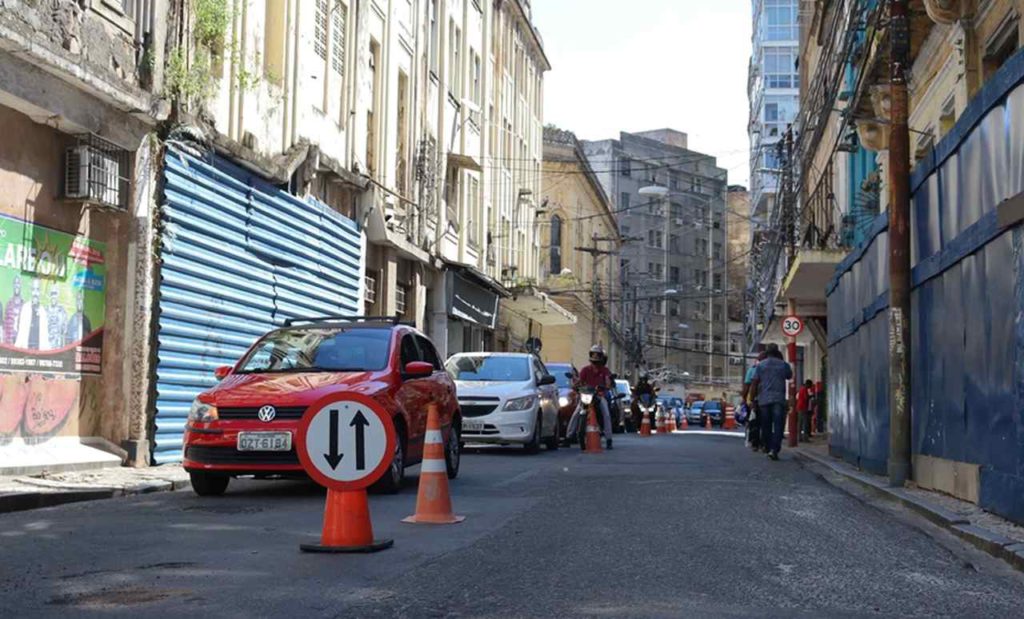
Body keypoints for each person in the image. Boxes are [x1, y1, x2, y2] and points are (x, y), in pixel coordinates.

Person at [750, 343, 793, 461]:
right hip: (779, 399)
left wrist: (752, 399)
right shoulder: (784, 365)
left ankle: (768, 447)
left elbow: (754, 383)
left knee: (766, 425)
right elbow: (790, 377)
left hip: (764, 400)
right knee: (779, 425)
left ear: (767, 352)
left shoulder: (760, 365)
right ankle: (775, 449)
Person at [571, 345, 614, 450]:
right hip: (586, 395)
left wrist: (606, 386)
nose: (594, 357)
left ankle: (609, 439)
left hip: (599, 395)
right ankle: (569, 435)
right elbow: (579, 381)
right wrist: (575, 384)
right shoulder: (585, 370)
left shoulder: (605, 370)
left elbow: (608, 381)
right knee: (576, 413)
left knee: (606, 414)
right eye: (593, 354)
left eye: (597, 355)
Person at [741, 351, 766, 450]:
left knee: (754, 421)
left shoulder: (752, 370)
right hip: (764, 399)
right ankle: (763, 443)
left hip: (755, 399)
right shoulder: (767, 370)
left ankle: (755, 443)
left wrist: (745, 399)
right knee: (765, 422)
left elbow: (747, 386)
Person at [3, 276, 23, 345]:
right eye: (15, 283)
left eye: (18, 283)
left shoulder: (24, 306)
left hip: (20, 343)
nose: (16, 285)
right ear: (13, 285)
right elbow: (5, 326)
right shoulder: (8, 304)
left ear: (21, 285)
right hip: (9, 342)